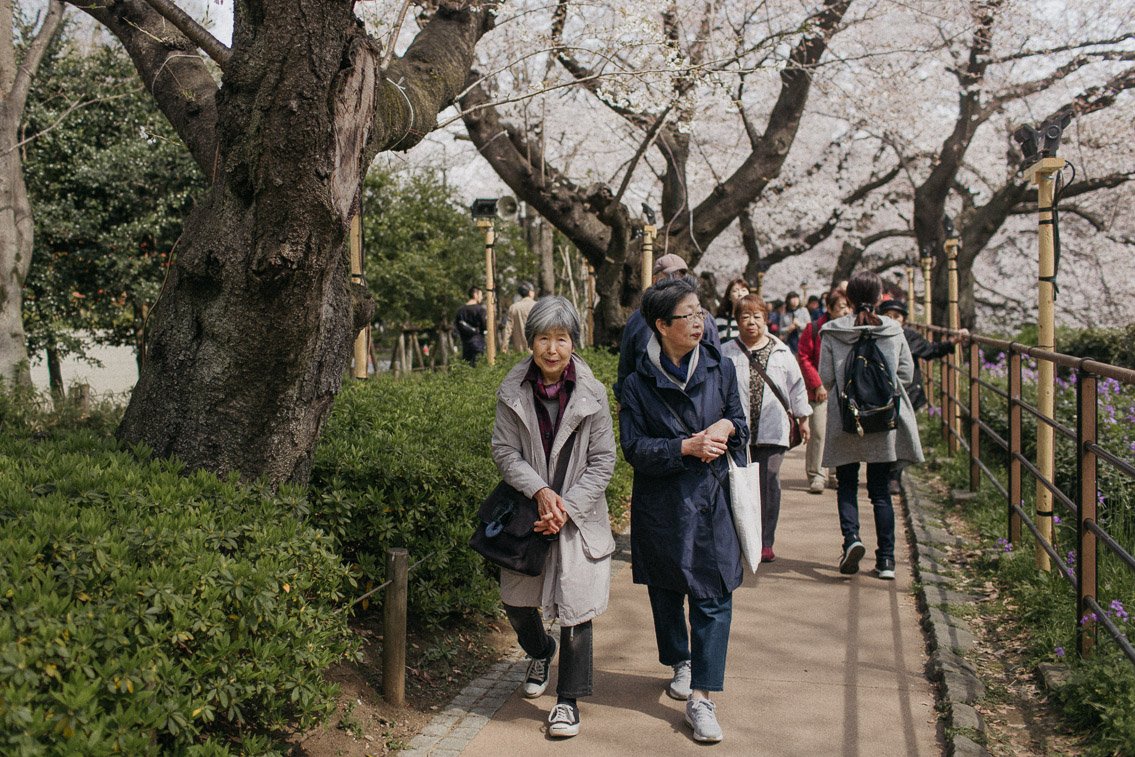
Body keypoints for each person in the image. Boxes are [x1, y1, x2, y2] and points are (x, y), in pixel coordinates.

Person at [619, 278, 748, 745]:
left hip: (712, 499)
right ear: (661, 325)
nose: (698, 322)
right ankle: (680, 659)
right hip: (662, 502)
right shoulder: (637, 383)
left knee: (714, 595)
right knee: (666, 588)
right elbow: (634, 448)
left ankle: (702, 697)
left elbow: (742, 424)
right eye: (687, 315)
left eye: (700, 313)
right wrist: (684, 447)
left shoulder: (720, 368)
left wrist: (726, 425)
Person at [490, 296, 617, 738]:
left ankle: (568, 702)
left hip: (577, 515)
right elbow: (504, 450)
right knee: (516, 602)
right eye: (543, 338)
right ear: (531, 342)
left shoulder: (592, 393)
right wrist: (541, 492)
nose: (552, 348)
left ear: (573, 343)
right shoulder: (513, 389)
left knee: (576, 609)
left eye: (561, 339)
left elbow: (603, 460)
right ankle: (540, 651)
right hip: (528, 510)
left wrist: (565, 506)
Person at [819, 271, 923, 580]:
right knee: (880, 492)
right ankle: (887, 560)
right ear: (880, 298)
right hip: (883, 419)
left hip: (847, 418)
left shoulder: (833, 331)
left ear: (848, 298)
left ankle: (852, 539)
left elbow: (826, 377)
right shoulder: (893, 330)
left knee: (847, 484)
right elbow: (906, 374)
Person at [721, 294, 811, 563]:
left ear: (766, 320)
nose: (751, 322)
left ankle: (765, 541)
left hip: (773, 429)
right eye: (745, 317)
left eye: (757, 316)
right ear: (737, 321)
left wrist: (803, 418)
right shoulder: (725, 352)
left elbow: (796, 386)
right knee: (737, 483)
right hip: (737, 432)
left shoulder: (781, 351)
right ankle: (738, 538)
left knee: (769, 482)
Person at [614, 254, 719, 402]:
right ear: (654, 280)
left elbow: (716, 363)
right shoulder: (638, 319)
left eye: (680, 276)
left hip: (697, 400)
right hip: (650, 399)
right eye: (669, 276)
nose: (674, 281)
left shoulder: (705, 318)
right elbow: (627, 368)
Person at [797, 288, 852, 494]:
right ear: (829, 308)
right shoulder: (814, 329)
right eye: (841, 307)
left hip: (844, 391)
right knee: (819, 433)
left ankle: (835, 474)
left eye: (848, 307)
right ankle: (816, 475)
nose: (846, 311)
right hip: (819, 391)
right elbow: (804, 358)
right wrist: (818, 384)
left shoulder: (851, 329)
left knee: (840, 433)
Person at [876, 300, 967, 412]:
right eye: (888, 316)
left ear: (903, 321)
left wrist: (954, 341)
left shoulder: (909, 337)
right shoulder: (874, 336)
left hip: (909, 393)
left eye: (896, 316)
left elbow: (931, 350)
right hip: (882, 392)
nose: (892, 320)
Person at [455, 286, 488, 365]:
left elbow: (457, 327)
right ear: (475, 295)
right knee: (479, 366)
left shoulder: (460, 310)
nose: (482, 298)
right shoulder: (480, 310)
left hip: (465, 344)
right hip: (478, 343)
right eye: (481, 295)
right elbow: (485, 326)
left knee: (467, 366)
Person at [501, 282, 537, 352]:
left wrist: (504, 347)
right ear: (530, 293)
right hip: (535, 349)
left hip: (519, 350)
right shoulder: (537, 306)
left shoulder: (513, 307)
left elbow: (508, 329)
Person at [714, 278, 750, 343]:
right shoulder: (719, 321)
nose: (740, 294)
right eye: (735, 291)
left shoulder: (756, 320)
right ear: (729, 297)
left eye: (743, 290)